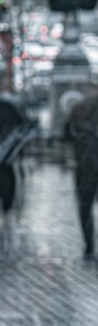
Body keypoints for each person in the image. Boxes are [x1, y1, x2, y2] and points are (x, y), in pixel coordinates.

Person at [66, 92, 98, 258]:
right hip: (87, 163)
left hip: (86, 166)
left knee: (85, 206)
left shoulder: (80, 106)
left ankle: (89, 245)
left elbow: (66, 134)